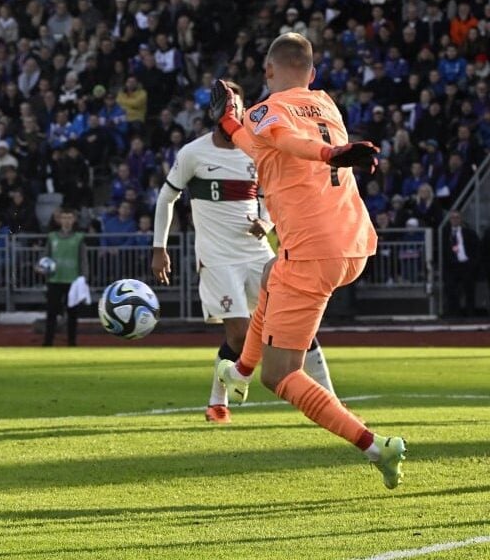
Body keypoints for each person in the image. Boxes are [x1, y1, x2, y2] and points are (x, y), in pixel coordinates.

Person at [210, 32, 406, 489]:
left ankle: (376, 446)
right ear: (312, 74)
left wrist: (328, 153)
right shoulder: (326, 104)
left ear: (267, 71)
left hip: (313, 250)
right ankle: (237, 372)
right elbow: (269, 145)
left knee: (279, 376)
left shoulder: (267, 112)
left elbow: (283, 139)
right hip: (353, 239)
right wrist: (233, 125)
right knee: (269, 272)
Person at [152, 82, 338, 424]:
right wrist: (159, 248)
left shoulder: (254, 151)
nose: (235, 112)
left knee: (299, 326)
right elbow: (166, 199)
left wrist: (266, 223)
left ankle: (331, 398)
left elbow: (271, 196)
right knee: (238, 335)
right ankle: (217, 402)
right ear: (216, 111)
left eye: (238, 106)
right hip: (217, 258)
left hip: (257, 253)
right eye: (229, 106)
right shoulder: (194, 153)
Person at [41, 208, 86, 346]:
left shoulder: (79, 238)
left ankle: (72, 342)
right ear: (59, 220)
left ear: (74, 220)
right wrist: (41, 268)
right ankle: (48, 342)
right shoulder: (52, 237)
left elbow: (83, 260)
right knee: (51, 313)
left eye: (69, 217)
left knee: (73, 314)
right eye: (64, 217)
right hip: (54, 280)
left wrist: (83, 278)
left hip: (73, 281)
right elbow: (45, 257)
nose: (66, 221)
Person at [441, 210, 480, 317]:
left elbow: (476, 249)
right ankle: (454, 314)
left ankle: (470, 313)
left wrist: (472, 263)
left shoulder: (469, 232)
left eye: (457, 217)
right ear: (449, 220)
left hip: (466, 265)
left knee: (469, 290)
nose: (455, 220)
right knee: (451, 291)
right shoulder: (444, 233)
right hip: (451, 267)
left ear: (461, 219)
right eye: (452, 218)